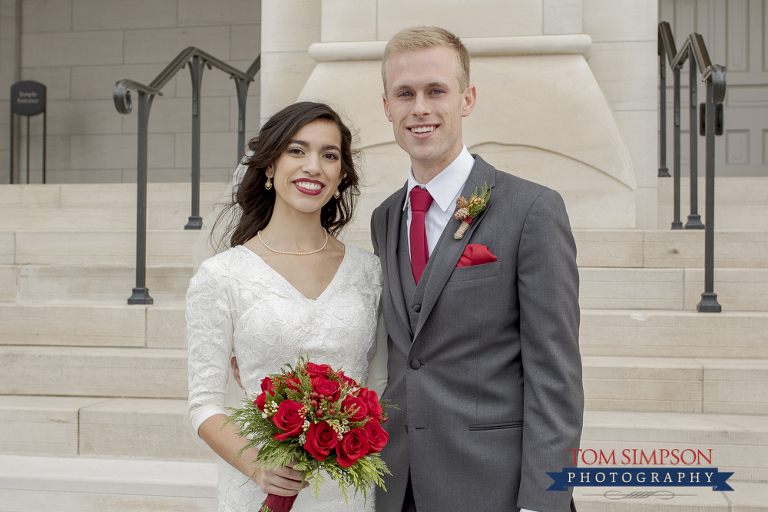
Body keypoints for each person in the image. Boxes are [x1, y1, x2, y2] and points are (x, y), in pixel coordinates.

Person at [370, 26, 584, 512]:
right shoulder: (385, 217)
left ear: (466, 99)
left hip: (498, 488)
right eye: (405, 93)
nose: (419, 107)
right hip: (399, 486)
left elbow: (556, 377)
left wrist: (544, 500)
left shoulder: (532, 210)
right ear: (387, 107)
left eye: (436, 91)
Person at [186, 101, 383, 512]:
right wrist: (258, 466)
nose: (314, 166)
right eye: (297, 150)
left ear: (340, 176)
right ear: (270, 167)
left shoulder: (370, 272)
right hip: (261, 486)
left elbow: (380, 387)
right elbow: (203, 403)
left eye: (329, 155)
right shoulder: (222, 275)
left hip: (349, 490)